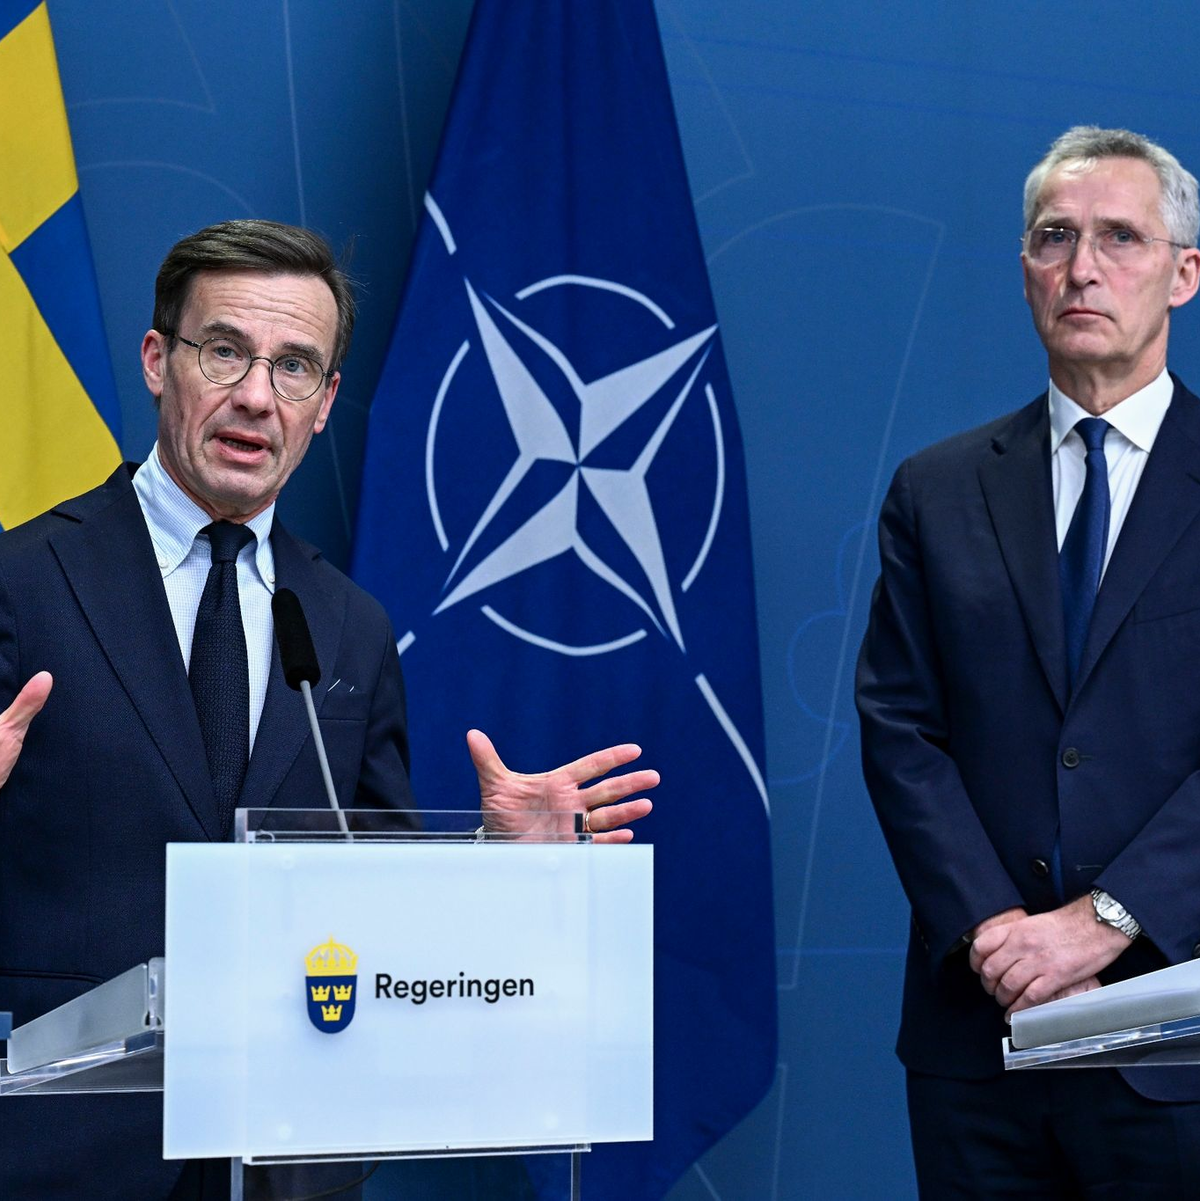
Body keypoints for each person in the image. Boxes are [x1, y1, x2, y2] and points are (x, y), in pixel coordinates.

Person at [0, 219, 656, 1200]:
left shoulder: (347, 624)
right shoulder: (24, 580)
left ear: (325, 404)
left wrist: (496, 868)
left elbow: (378, 908)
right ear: (156, 361)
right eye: (225, 352)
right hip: (58, 1156)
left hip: (282, 1158)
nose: (257, 396)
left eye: (295, 367)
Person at [857, 125, 1200, 1197]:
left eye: (1119, 238)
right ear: (1024, 274)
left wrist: (1103, 922)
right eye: (1055, 238)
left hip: (1175, 1038)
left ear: (1185, 273)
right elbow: (900, 729)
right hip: (978, 1039)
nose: (1083, 267)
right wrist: (996, 930)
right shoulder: (937, 488)